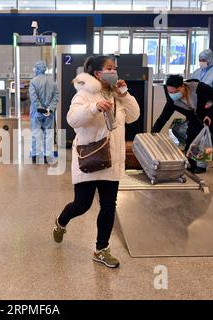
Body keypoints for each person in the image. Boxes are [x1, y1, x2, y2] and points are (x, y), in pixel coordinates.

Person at [52, 56, 140, 268]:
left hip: (113, 159)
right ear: (97, 73)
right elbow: (72, 120)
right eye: (110, 68)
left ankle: (101, 249)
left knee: (109, 205)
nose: (115, 71)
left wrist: (125, 94)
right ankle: (61, 221)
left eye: (115, 68)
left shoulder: (118, 95)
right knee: (82, 205)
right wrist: (93, 108)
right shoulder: (84, 94)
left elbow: (134, 117)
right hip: (90, 158)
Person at [152, 74, 213, 201]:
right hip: (196, 125)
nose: (173, 94)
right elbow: (163, 118)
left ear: (183, 86)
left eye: (176, 91)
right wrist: (152, 134)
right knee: (190, 151)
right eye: (170, 91)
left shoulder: (198, 87)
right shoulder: (173, 100)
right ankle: (191, 180)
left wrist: (210, 114)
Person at [29, 61, 59, 164]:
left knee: (36, 134)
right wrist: (50, 108)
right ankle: (47, 157)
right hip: (49, 114)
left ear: (37, 69)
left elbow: (34, 98)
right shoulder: (52, 82)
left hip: (37, 113)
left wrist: (40, 108)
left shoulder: (33, 82)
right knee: (49, 134)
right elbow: (56, 96)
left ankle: (36, 156)